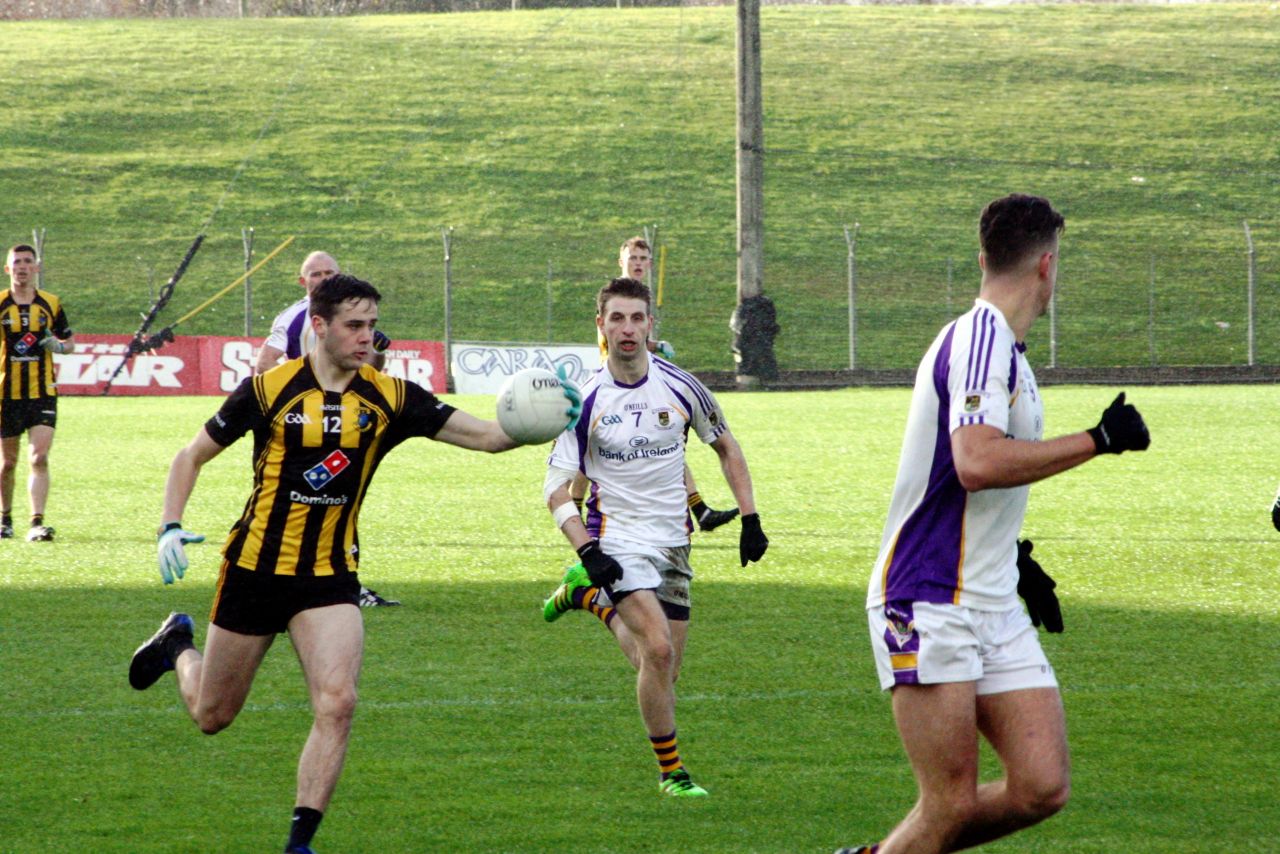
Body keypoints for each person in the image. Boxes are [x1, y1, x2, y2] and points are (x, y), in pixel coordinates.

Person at [128, 274, 580, 854]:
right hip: (255, 571)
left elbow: (488, 437)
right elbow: (191, 455)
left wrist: (540, 419)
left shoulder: (391, 397)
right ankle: (177, 646)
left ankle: (299, 843)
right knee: (213, 715)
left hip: (329, 578)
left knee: (338, 702)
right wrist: (169, 523)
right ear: (319, 326)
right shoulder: (268, 391)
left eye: (372, 325)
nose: (368, 337)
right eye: (355, 326)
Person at [836, 195, 1151, 854]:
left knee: (1042, 785)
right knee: (947, 804)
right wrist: (1098, 438)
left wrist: (1018, 560)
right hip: (928, 597)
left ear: (984, 258)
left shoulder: (1010, 350)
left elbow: (965, 483)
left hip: (990, 598)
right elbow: (976, 461)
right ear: (1046, 264)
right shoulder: (981, 338)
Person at [542, 276, 768, 797]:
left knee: (661, 668)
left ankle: (589, 601)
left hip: (674, 542)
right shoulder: (586, 402)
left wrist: (752, 518)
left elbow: (726, 446)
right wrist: (587, 550)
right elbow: (557, 491)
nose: (627, 328)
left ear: (650, 324)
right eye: (616, 318)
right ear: (600, 326)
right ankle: (673, 774)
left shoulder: (682, 386)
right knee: (659, 650)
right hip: (615, 539)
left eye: (636, 318)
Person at [256, 251, 395, 606]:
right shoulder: (293, 317)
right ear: (304, 283)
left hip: (346, 421)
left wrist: (377, 353)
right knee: (294, 501)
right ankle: (280, 578)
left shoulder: (353, 315)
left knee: (341, 500)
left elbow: (373, 372)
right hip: (301, 425)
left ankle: (345, 582)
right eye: (315, 274)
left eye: (329, 272)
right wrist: (279, 405)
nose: (323, 278)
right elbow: (264, 363)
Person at [585, 237, 738, 533]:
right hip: (618, 383)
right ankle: (577, 511)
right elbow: (615, 340)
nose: (638, 263)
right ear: (622, 262)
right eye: (633, 258)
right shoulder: (614, 296)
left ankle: (700, 510)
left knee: (662, 446)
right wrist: (654, 345)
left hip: (642, 382)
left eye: (643, 258)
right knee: (595, 451)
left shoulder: (644, 295)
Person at [0, 244, 74, 542]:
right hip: (6, 394)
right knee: (7, 463)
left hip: (42, 393)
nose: (22, 266)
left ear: (37, 268)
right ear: (8, 269)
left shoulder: (51, 304)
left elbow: (70, 343)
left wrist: (58, 347)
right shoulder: (1, 304)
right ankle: (4, 519)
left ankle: (37, 523)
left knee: (39, 457)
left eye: (28, 261)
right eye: (17, 262)